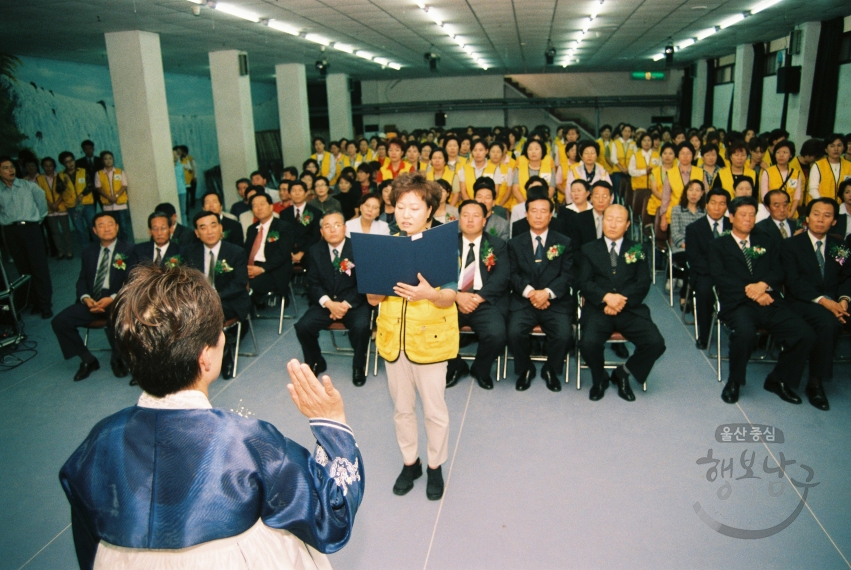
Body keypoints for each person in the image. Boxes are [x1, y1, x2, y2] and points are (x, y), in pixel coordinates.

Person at [59, 265, 363, 569]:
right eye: (220, 332)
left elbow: (90, 544)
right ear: (205, 357)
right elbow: (331, 521)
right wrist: (332, 424)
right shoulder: (248, 443)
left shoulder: (99, 440)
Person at [367, 172, 458, 501]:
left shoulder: (442, 245)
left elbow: (451, 297)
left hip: (431, 341)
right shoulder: (385, 246)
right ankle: (411, 462)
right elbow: (372, 300)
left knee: (434, 410)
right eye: (401, 207)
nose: (406, 215)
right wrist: (375, 287)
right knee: (402, 409)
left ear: (430, 211)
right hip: (394, 341)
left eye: (414, 208)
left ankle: (435, 466)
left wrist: (428, 294)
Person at [709, 196, 815, 405]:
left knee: (805, 334)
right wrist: (752, 291)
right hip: (738, 304)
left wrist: (764, 285)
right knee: (745, 334)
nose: (748, 219)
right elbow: (719, 276)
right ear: (731, 217)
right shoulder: (718, 245)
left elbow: (779, 270)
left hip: (769, 300)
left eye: (752, 215)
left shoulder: (766, 240)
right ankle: (734, 381)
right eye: (743, 215)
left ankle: (779, 379)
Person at [578, 204, 666, 401]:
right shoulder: (588, 249)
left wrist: (620, 300)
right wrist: (606, 298)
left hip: (630, 308)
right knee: (587, 343)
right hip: (599, 309)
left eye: (619, 220)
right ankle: (599, 377)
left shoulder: (638, 249)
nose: (613, 224)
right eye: (609, 219)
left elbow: (643, 282)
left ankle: (623, 373)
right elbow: (584, 282)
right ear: (602, 221)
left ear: (627, 225)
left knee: (656, 343)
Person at [782, 198, 851, 411]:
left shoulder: (838, 246)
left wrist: (843, 301)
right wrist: (827, 303)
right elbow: (794, 282)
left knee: (831, 319)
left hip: (834, 302)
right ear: (807, 217)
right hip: (801, 301)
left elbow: (846, 277)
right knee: (828, 323)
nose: (820, 220)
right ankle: (815, 383)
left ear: (833, 221)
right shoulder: (791, 245)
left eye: (827, 215)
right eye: (816, 214)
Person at [51, 212, 133, 382]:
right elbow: (82, 280)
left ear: (117, 227)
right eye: (101, 225)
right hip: (92, 301)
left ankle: (117, 358)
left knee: (115, 318)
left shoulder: (130, 250)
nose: (106, 228)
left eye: (110, 224)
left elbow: (132, 283)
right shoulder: (89, 251)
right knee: (60, 321)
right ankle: (88, 359)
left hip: (117, 300)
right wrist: (86, 298)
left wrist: (112, 298)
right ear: (94, 230)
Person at [506, 188, 574, 392]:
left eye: (543, 211)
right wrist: (530, 293)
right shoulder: (515, 243)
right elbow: (512, 274)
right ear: (526, 215)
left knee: (563, 334)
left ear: (551, 215)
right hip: (524, 300)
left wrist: (548, 293)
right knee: (514, 332)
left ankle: (551, 370)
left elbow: (568, 275)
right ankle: (525, 369)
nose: (538, 215)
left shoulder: (563, 242)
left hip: (555, 301)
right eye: (533, 211)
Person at [295, 211, 371, 387]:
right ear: (321, 231)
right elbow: (312, 284)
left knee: (361, 327)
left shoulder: (359, 248)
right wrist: (329, 304)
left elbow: (364, 282)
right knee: (303, 327)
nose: (332, 230)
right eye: (327, 226)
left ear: (345, 228)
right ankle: (315, 360)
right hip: (326, 302)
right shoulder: (314, 251)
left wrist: (343, 305)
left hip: (353, 302)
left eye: (337, 225)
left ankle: (359, 366)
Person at [446, 200, 509, 390]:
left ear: (484, 220)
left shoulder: (497, 245)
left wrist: (477, 298)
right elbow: (437, 275)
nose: (470, 220)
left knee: (497, 334)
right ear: (459, 219)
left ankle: (480, 369)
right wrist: (457, 296)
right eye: (465, 215)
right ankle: (457, 366)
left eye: (476, 216)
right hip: (452, 300)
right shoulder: (447, 243)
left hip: (484, 300)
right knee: (435, 331)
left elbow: (503, 276)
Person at [187, 210, 251, 379]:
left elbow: (239, 283)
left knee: (208, 315)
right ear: (197, 233)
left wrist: (214, 296)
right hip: (199, 303)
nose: (209, 231)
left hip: (229, 300)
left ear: (221, 228)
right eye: (203, 227)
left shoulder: (236, 252)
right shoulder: (190, 253)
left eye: (213, 225)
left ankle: (224, 353)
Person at [0, 155, 53, 318]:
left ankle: (45, 305)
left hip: (31, 229)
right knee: (23, 269)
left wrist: (38, 219)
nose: (10, 170)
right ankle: (34, 302)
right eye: (6, 168)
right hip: (11, 232)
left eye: (12, 167)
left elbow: (42, 202)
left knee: (39, 268)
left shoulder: (28, 186)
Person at [685, 188, 732, 348]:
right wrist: (717, 272)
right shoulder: (694, 228)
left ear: (727, 207)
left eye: (722, 204)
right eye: (713, 203)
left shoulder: (733, 226)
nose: (717, 208)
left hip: (730, 272)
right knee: (704, 292)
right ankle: (704, 335)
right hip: (705, 273)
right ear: (706, 205)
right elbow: (694, 258)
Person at [245, 193, 295, 307]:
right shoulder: (252, 229)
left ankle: (244, 318)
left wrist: (262, 269)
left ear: (271, 207)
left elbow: (282, 253)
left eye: (262, 204)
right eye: (255, 205)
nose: (259, 208)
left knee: (248, 285)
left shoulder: (284, 227)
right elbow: (246, 252)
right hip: (252, 267)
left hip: (274, 270)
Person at [669, 180, 706, 307]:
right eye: (690, 190)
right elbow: (675, 233)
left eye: (697, 190)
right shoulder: (677, 210)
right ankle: (685, 296)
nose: (693, 193)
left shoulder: (705, 212)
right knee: (692, 262)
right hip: (681, 249)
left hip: (700, 250)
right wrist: (689, 246)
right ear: (686, 192)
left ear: (702, 193)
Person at [36, 156, 75, 260]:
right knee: (55, 232)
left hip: (61, 207)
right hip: (49, 209)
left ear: (54, 166)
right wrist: (50, 204)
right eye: (46, 166)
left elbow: (64, 191)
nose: (48, 168)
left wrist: (57, 203)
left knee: (66, 231)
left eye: (51, 165)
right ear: (42, 167)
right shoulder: (39, 179)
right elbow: (40, 194)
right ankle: (60, 252)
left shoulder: (60, 176)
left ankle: (69, 251)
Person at [278, 180, 322, 268]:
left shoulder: (316, 212)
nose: (297, 193)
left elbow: (315, 236)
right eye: (293, 191)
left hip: (309, 251)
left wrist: (302, 252)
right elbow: (283, 236)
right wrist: (290, 252)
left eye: (300, 190)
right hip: (289, 252)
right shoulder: (284, 213)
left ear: (306, 193)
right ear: (289, 194)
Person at [94, 151, 133, 242]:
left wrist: (115, 196)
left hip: (120, 204)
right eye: (105, 159)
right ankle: (116, 246)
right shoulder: (99, 174)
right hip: (108, 206)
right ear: (102, 161)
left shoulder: (119, 172)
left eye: (110, 158)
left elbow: (124, 185)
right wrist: (109, 197)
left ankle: (125, 246)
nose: (108, 161)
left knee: (123, 227)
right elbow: (98, 188)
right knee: (112, 228)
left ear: (113, 159)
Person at [59, 151, 95, 247]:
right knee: (79, 228)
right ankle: (86, 249)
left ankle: (99, 247)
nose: (70, 163)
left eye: (71, 160)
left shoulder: (83, 171)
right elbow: (58, 189)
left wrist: (82, 194)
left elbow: (90, 185)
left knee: (93, 225)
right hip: (73, 206)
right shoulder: (61, 175)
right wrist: (64, 183)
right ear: (63, 164)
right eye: (67, 162)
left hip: (86, 203)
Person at [808, 134, 851, 202]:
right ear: (826, 149)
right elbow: (812, 189)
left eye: (839, 145)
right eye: (832, 146)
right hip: (822, 205)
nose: (836, 149)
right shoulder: (818, 165)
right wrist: (823, 204)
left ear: (844, 148)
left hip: (843, 206)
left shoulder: (849, 166)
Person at [473, 177, 510, 241]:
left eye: (487, 197)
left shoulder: (503, 225)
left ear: (493, 202)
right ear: (474, 200)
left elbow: (503, 249)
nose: (483, 201)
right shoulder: (463, 222)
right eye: (479, 197)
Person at [172, 148, 188, 225]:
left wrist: (184, 187)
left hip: (181, 190)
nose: (175, 156)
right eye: (173, 155)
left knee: (183, 211)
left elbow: (183, 178)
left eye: (176, 154)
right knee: (174, 212)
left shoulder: (180, 166)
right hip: (172, 192)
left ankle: (184, 226)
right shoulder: (168, 168)